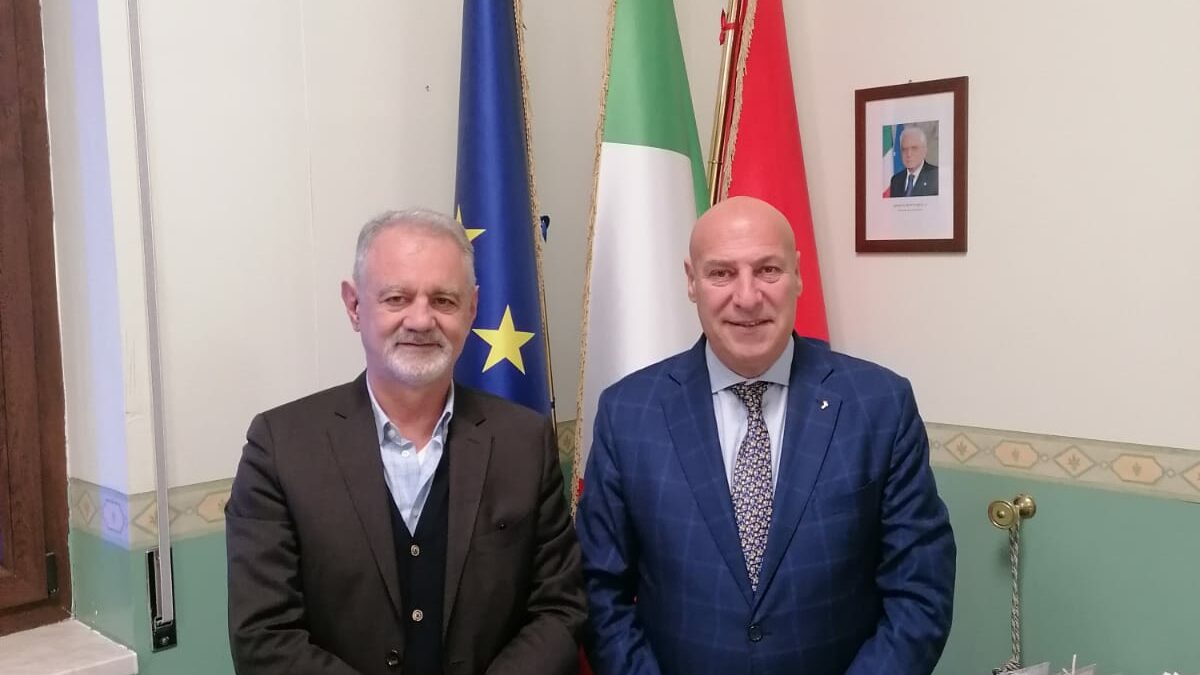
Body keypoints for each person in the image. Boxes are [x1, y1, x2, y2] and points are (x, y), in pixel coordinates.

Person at [576, 196, 955, 675]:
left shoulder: (879, 405)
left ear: (797, 274)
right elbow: (599, 591)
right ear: (691, 281)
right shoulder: (628, 413)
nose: (748, 297)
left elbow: (920, 592)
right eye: (721, 273)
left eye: (768, 270)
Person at [226, 208, 585, 675]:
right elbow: (263, 636)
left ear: (472, 309)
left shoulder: (525, 442)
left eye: (443, 300)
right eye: (396, 298)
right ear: (355, 306)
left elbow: (560, 610)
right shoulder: (280, 447)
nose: (420, 320)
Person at [889, 125, 939, 197]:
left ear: (924, 151)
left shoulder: (936, 175)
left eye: (914, 148)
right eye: (904, 149)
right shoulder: (895, 180)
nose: (909, 154)